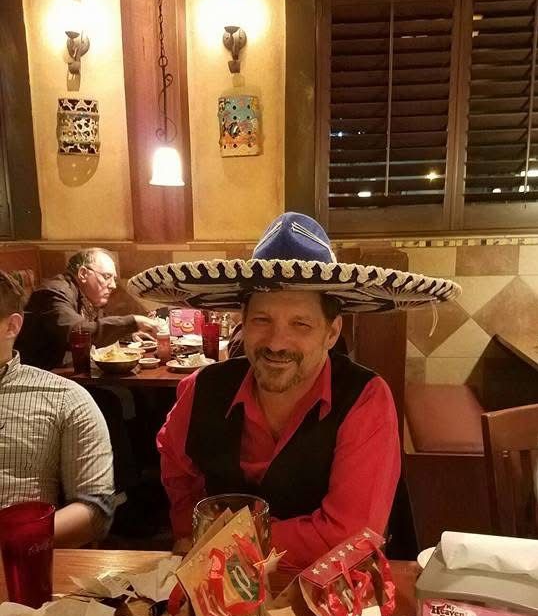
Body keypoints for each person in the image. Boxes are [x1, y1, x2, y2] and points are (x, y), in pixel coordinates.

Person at [133, 212, 457, 569]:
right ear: (243, 322)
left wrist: (220, 542)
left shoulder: (366, 399)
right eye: (262, 320)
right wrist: (187, 527)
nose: (276, 342)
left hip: (334, 590)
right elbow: (177, 465)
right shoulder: (201, 388)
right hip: (221, 585)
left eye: (300, 324)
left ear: (331, 332)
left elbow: (348, 536)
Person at [0, 271, 114, 547]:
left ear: (12, 327)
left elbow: (95, 509)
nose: (111, 284)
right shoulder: (58, 291)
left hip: (21, 568)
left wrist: (14, 541)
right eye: (106, 276)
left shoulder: (65, 399)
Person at [16, 247, 160, 370]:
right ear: (83, 274)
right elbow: (76, 333)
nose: (113, 285)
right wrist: (132, 322)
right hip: (40, 376)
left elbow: (95, 327)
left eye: (114, 279)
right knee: (121, 395)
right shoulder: (54, 292)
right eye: (107, 276)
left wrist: (129, 333)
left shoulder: (86, 295)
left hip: (67, 371)